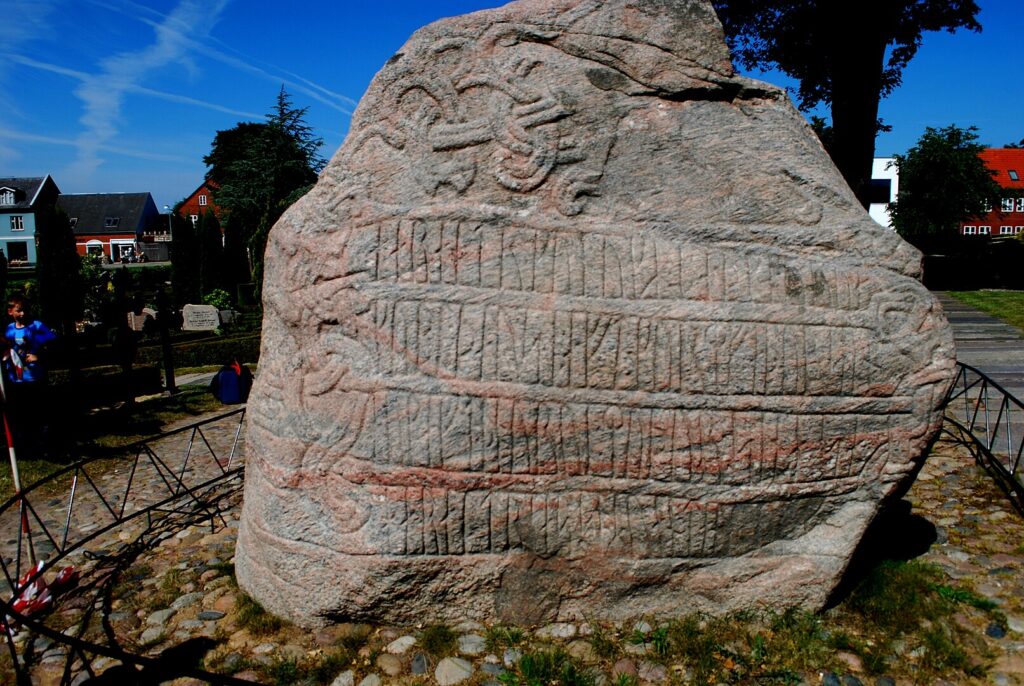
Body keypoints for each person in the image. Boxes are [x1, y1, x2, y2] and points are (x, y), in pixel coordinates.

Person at [3, 294, 57, 456]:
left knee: (38, 412)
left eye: (25, 310)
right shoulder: (9, 329)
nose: (23, 314)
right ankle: (25, 446)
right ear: (10, 311)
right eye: (19, 311)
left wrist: (39, 356)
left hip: (34, 378)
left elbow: (54, 344)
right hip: (16, 379)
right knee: (20, 414)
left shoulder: (37, 326)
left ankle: (44, 444)